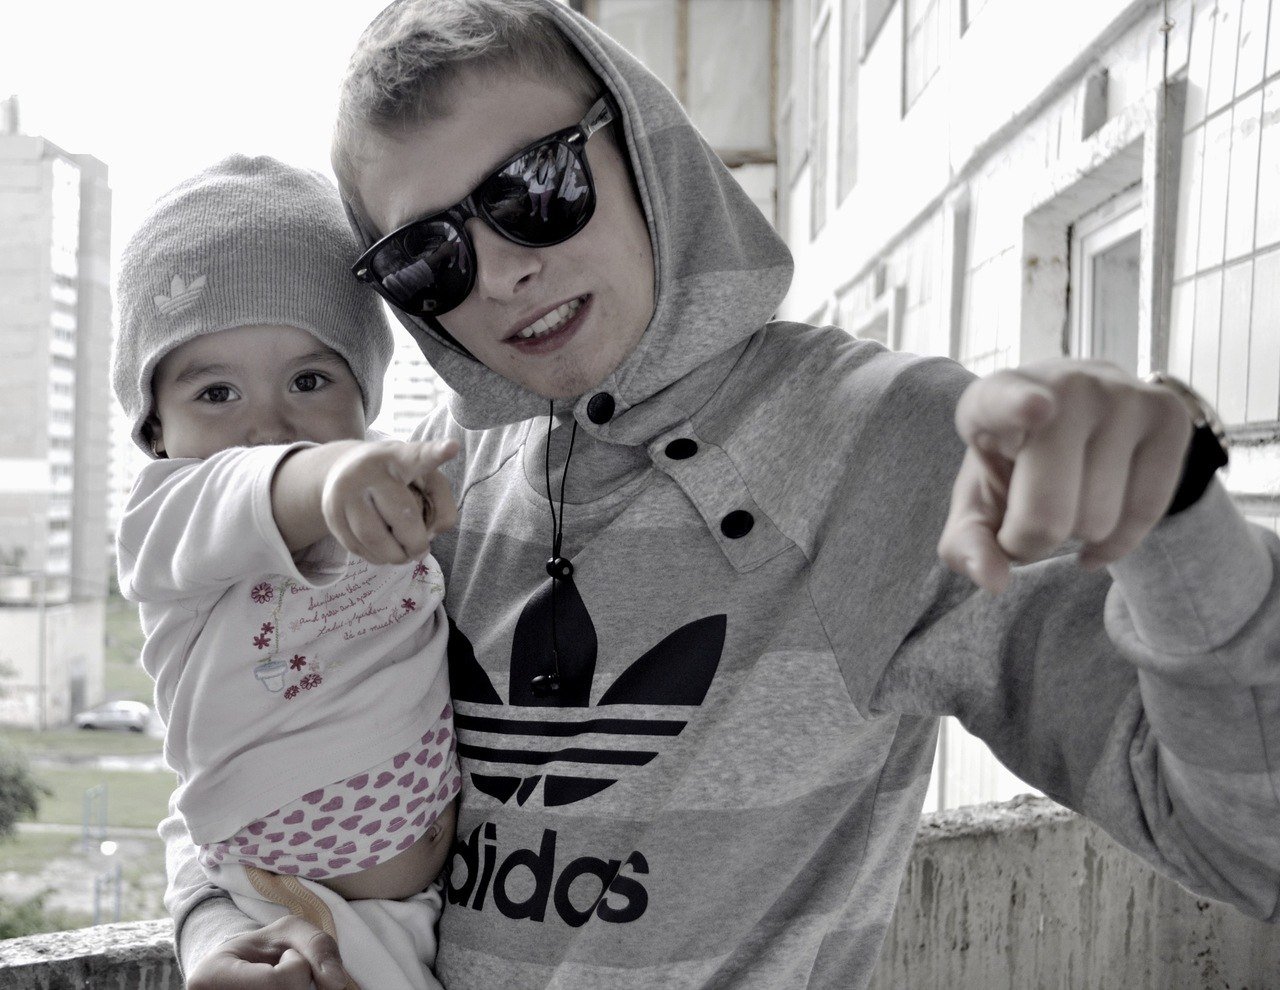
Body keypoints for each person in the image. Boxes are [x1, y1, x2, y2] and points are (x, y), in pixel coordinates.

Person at [176, 3, 1280, 988]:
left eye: (535, 189)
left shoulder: (881, 441)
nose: (503, 271)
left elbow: (1249, 844)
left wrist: (1173, 513)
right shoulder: (425, 488)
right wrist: (215, 928)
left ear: (641, 145)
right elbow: (243, 744)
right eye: (430, 255)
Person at [111, 155, 464, 990]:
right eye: (216, 394)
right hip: (286, 904)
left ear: (365, 398)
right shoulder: (168, 518)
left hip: (414, 911)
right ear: (156, 431)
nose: (269, 428)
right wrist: (326, 472)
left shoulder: (388, 494)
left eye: (310, 380)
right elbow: (251, 488)